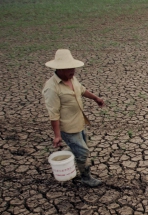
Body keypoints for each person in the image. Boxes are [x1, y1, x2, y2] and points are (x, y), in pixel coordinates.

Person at [42, 49, 105, 187]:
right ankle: (86, 178)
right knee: (82, 152)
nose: (73, 71)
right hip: (68, 127)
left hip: (79, 122)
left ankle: (66, 157)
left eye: (73, 67)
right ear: (59, 69)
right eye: (69, 68)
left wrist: (96, 98)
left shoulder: (71, 78)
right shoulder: (52, 88)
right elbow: (54, 115)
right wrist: (57, 136)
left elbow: (81, 89)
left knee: (80, 148)